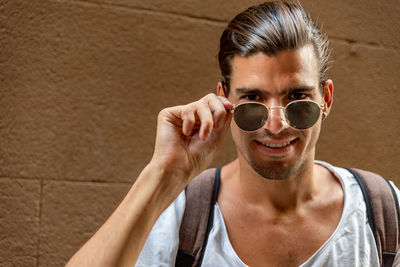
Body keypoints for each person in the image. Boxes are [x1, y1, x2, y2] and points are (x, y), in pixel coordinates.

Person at [67, 1, 399, 266]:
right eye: (253, 99)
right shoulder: (183, 216)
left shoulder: (383, 211)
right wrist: (162, 174)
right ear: (225, 99)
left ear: (325, 99)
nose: (276, 123)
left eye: (297, 98)